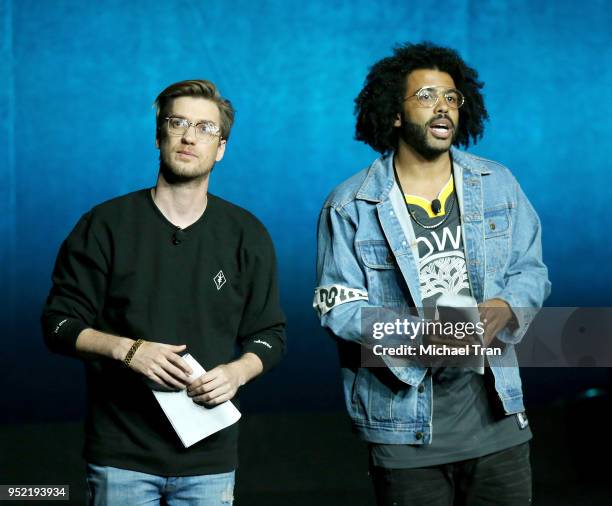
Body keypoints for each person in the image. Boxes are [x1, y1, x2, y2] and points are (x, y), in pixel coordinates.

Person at [314, 42, 550, 505]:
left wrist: (505, 306)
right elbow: (338, 305)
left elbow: (531, 270)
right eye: (425, 96)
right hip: (404, 428)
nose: (442, 106)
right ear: (394, 114)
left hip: (497, 420)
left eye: (451, 97)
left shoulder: (498, 183)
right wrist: (420, 337)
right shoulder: (350, 204)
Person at [41, 79, 286, 505]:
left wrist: (238, 372)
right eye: (178, 123)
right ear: (159, 136)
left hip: (209, 461)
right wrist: (128, 350)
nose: (190, 136)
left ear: (221, 147)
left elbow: (269, 334)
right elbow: (57, 324)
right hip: (121, 457)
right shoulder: (105, 226)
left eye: (206, 128)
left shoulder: (246, 234)